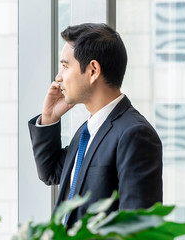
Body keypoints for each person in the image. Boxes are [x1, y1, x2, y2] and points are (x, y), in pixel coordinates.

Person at [28, 23, 163, 228]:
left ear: (92, 71)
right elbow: (51, 173)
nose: (58, 77)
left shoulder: (135, 134)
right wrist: (48, 116)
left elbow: (137, 228)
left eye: (65, 66)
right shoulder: (87, 131)